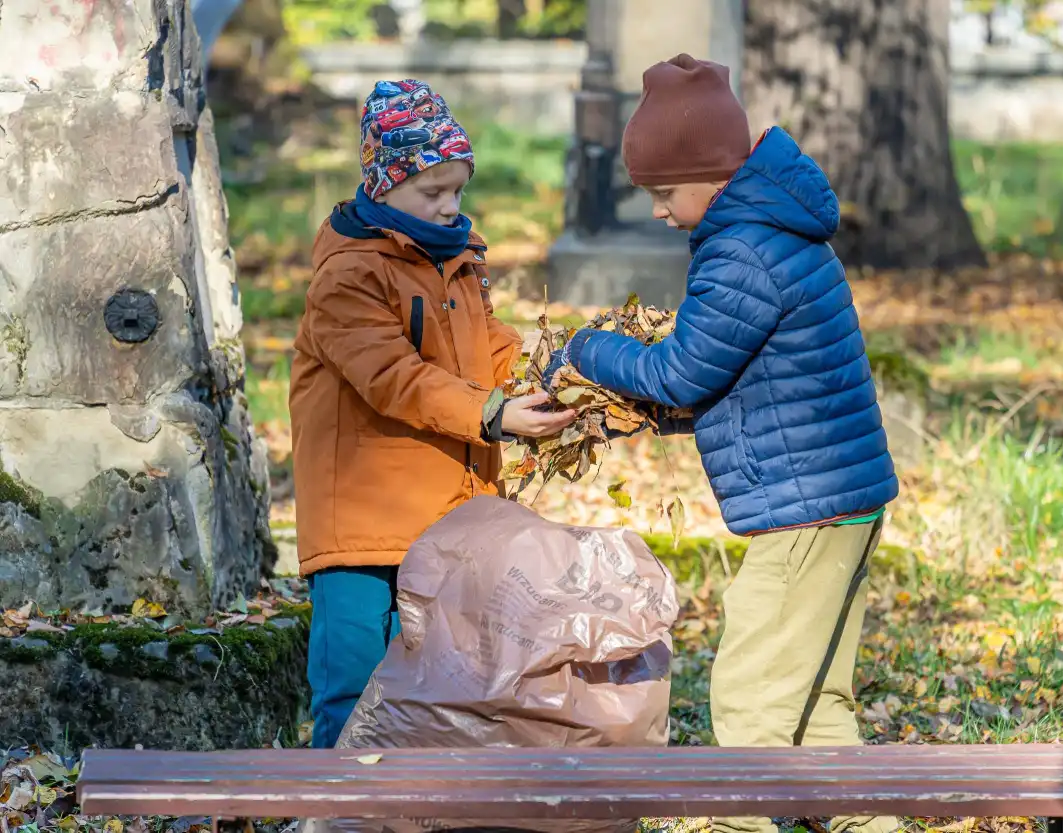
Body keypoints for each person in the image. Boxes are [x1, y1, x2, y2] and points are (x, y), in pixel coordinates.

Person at [543, 55, 900, 833]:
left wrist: (586, 351)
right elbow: (728, 381)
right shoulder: (768, 229)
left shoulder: (742, 249)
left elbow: (682, 370)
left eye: (666, 194)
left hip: (808, 506)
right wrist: (641, 411)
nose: (663, 213)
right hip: (837, 498)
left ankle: (733, 824)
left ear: (708, 173)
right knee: (815, 705)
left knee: (750, 693)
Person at [289, 79, 575, 749]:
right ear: (383, 185)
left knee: (436, 685)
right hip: (359, 524)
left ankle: (420, 809)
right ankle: (343, 815)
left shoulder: (458, 261)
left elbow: (488, 345)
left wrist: (542, 375)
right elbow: (392, 377)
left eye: (457, 190)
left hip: (445, 516)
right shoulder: (348, 275)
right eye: (432, 191)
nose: (450, 207)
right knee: (354, 684)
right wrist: (494, 414)